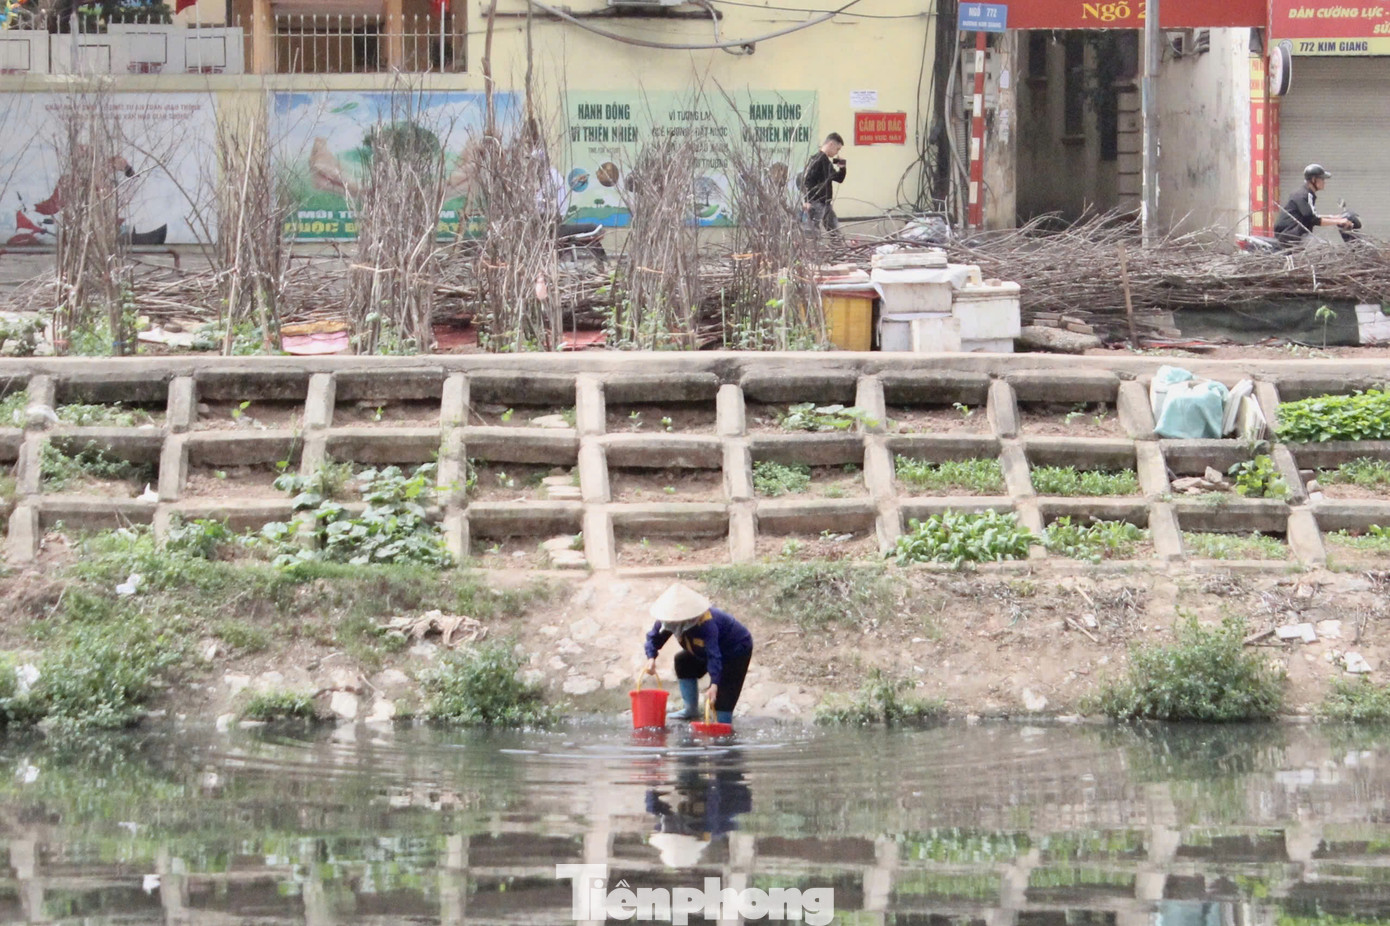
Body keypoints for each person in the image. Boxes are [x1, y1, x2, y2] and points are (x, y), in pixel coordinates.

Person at [642, 583, 754, 724]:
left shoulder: (706, 624)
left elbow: (715, 655)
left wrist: (714, 685)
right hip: (703, 651)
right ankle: (691, 710)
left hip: (735, 649)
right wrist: (651, 658)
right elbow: (654, 638)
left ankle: (724, 725)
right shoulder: (668, 620)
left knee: (721, 699)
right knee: (683, 661)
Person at [1274, 163, 1352, 247]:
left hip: (1295, 234)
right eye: (1322, 179)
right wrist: (1338, 221)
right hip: (1290, 236)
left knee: (1323, 246)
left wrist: (1333, 217)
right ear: (1314, 180)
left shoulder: (1307, 193)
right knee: (1323, 248)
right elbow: (1313, 219)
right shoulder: (1303, 195)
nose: (1324, 182)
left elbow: (1311, 215)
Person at [800, 132, 847, 232]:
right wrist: (807, 200)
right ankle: (811, 247)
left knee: (835, 231)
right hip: (816, 203)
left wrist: (842, 167)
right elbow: (808, 180)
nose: (836, 153)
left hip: (826, 203)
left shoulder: (826, 161)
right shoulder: (817, 159)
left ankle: (837, 246)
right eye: (837, 149)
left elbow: (838, 178)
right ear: (831, 144)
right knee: (812, 231)